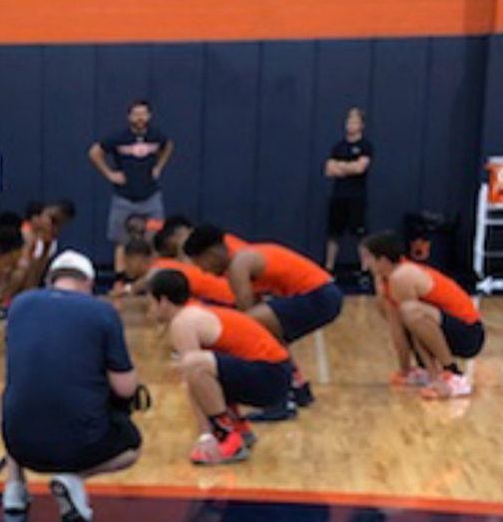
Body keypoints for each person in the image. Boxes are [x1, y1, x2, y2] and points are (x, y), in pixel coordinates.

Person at [0, 251, 146, 522]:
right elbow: (125, 388)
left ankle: (14, 487)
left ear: (50, 280)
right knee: (132, 446)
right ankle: (74, 477)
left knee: (18, 390)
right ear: (89, 284)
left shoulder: (19, 305)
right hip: (79, 444)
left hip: (17, 442)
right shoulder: (102, 311)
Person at [184, 224, 342, 415]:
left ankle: (280, 401)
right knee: (269, 332)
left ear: (212, 254)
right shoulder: (245, 258)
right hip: (324, 294)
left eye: (201, 264)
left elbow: (246, 322)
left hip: (319, 296)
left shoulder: (239, 264)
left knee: (255, 329)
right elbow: (254, 307)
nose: (205, 272)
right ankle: (297, 389)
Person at [147, 268, 294, 464]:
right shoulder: (195, 311)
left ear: (163, 301)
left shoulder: (183, 322)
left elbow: (193, 378)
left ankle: (225, 436)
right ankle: (238, 428)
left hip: (270, 375)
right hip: (276, 373)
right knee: (209, 366)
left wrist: (206, 436)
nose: (148, 309)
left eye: (150, 302)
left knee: (195, 364)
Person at [360, 231, 483, 398]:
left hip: (469, 333)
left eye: (367, 258)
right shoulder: (385, 279)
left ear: (382, 260)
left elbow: (414, 324)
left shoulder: (403, 276)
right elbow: (397, 327)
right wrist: (405, 370)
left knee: (410, 311)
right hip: (441, 328)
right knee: (395, 310)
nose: (364, 265)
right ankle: (423, 372)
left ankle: (453, 375)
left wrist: (435, 379)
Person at [89, 99, 174, 280]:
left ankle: (150, 278)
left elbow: (168, 146)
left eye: (143, 114)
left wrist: (158, 167)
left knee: (154, 239)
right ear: (129, 117)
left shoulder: (156, 136)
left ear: (149, 116)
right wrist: (109, 174)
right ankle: (121, 279)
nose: (140, 118)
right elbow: (95, 152)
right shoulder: (119, 137)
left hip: (150, 196)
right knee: (121, 240)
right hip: (124, 197)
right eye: (136, 114)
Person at [325, 108, 373, 273]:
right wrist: (348, 166)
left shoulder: (365, 146)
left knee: (360, 234)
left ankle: (365, 269)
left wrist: (342, 166)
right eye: (348, 120)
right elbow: (329, 169)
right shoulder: (338, 147)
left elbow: (360, 168)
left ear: (361, 125)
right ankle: (329, 267)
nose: (350, 124)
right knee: (333, 233)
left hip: (357, 197)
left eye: (354, 121)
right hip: (339, 196)